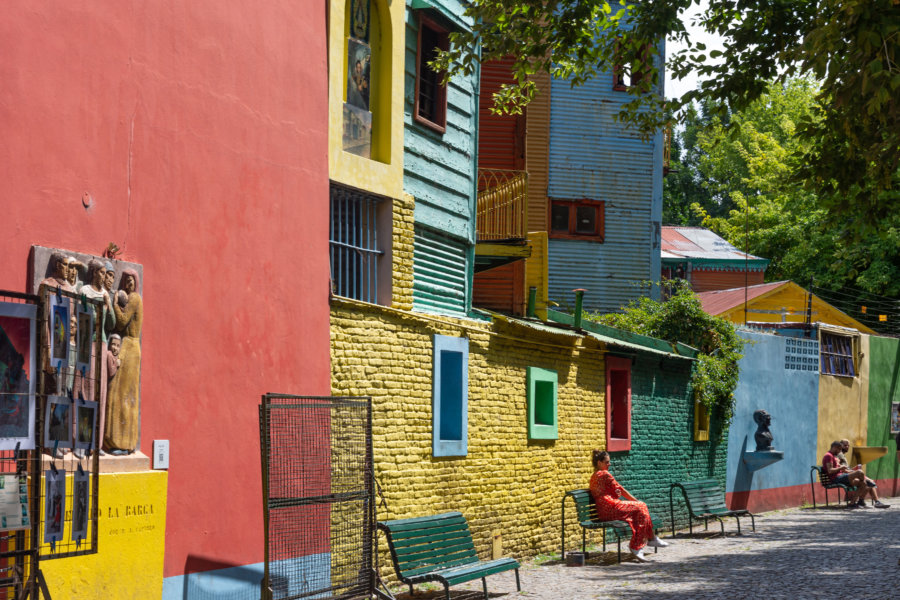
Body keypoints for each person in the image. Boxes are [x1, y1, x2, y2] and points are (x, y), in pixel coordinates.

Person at [588, 450, 668, 562]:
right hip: (609, 508)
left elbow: (611, 493)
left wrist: (617, 494)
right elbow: (621, 489)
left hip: (604, 510)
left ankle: (650, 539)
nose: (609, 464)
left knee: (640, 509)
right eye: (607, 462)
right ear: (599, 463)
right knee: (641, 506)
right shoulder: (604, 474)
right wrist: (635, 501)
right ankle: (638, 545)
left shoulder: (595, 476)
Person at [105, 269, 142, 453]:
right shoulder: (132, 298)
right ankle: (118, 441)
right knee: (122, 395)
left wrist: (113, 304)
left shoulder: (134, 298)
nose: (128, 284)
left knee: (122, 396)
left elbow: (121, 322)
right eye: (126, 280)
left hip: (130, 348)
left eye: (131, 280)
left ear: (136, 282)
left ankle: (123, 442)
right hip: (128, 347)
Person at [837, 439, 889, 508]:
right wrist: (853, 472)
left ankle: (863, 501)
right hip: (845, 477)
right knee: (868, 482)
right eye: (845, 445)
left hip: (848, 475)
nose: (847, 447)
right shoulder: (839, 455)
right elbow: (841, 469)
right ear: (840, 445)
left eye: (848, 446)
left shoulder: (842, 455)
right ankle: (872, 501)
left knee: (869, 482)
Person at [822, 440, 867, 508]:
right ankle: (859, 500)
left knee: (863, 484)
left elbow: (837, 468)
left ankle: (852, 503)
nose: (840, 451)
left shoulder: (833, 456)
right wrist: (841, 468)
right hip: (836, 479)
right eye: (839, 449)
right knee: (860, 472)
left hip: (841, 477)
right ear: (834, 447)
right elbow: (830, 471)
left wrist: (842, 468)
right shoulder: (828, 456)